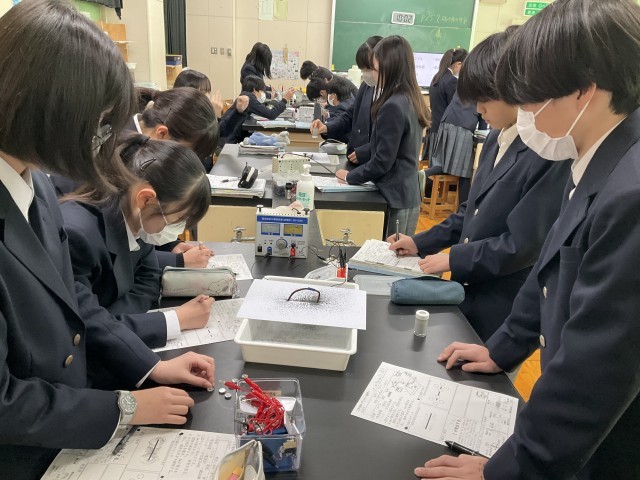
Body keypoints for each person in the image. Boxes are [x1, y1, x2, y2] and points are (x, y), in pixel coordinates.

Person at [415, 1, 640, 478]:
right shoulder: (599, 158)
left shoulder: (630, 191)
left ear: (584, 91)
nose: (526, 116)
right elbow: (551, 267)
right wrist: (503, 347)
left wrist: (504, 470)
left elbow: (596, 368)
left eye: (532, 100)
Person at [0, 2, 215, 477]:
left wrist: (148, 368)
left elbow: (75, 305)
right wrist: (124, 408)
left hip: (67, 426)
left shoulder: (37, 184)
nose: (107, 140)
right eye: (100, 123)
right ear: (49, 111)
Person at [388, 29, 570, 342]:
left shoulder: (546, 151)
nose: (478, 110)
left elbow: (522, 246)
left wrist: (454, 258)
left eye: (485, 100)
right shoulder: (496, 138)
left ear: (516, 90)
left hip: (503, 301)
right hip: (467, 289)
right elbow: (469, 212)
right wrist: (420, 242)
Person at [59, 135, 215, 349]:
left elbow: (150, 278)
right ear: (146, 199)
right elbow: (85, 329)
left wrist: (113, 322)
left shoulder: (137, 219)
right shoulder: (78, 236)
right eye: (178, 219)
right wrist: (175, 320)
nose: (178, 229)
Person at [336, 36, 429, 237]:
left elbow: (382, 161)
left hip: (394, 196)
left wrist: (350, 176)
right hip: (407, 193)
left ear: (391, 68)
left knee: (390, 251)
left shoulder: (393, 105)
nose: (372, 75)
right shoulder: (411, 98)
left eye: (375, 69)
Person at [310, 36, 383, 165]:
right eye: (363, 69)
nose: (365, 73)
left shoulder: (395, 96)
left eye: (368, 68)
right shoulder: (366, 87)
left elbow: (388, 140)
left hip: (374, 162)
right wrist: (326, 127)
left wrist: (366, 151)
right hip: (357, 159)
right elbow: (349, 115)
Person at [426, 91, 486, 203]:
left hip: (446, 122)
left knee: (444, 164)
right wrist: (484, 132)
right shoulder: (484, 86)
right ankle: (463, 209)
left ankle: (424, 174)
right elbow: (483, 112)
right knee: (465, 172)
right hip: (463, 126)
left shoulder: (464, 83)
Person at [218, 75, 295, 146]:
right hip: (228, 141)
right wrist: (285, 99)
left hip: (229, 137)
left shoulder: (245, 95)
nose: (263, 94)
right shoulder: (248, 97)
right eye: (262, 91)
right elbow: (271, 114)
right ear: (254, 89)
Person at [423, 48, 468, 161]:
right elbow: (454, 109)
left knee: (433, 164)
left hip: (434, 128)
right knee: (442, 165)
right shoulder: (451, 81)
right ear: (458, 64)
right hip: (444, 132)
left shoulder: (437, 77)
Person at [323, 76, 356, 144]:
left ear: (334, 95)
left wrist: (325, 126)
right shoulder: (350, 101)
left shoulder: (342, 107)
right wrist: (328, 115)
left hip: (343, 142)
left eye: (329, 94)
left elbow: (338, 123)